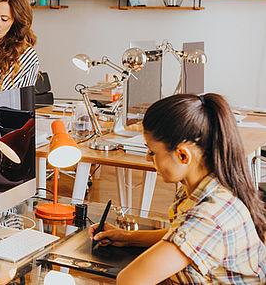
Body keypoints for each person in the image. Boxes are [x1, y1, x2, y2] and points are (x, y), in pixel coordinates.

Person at [90, 93, 266, 284]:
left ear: (183, 155)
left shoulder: (209, 215)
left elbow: (129, 280)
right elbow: (183, 235)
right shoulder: (204, 186)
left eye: (152, 151)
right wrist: (128, 237)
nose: (149, 158)